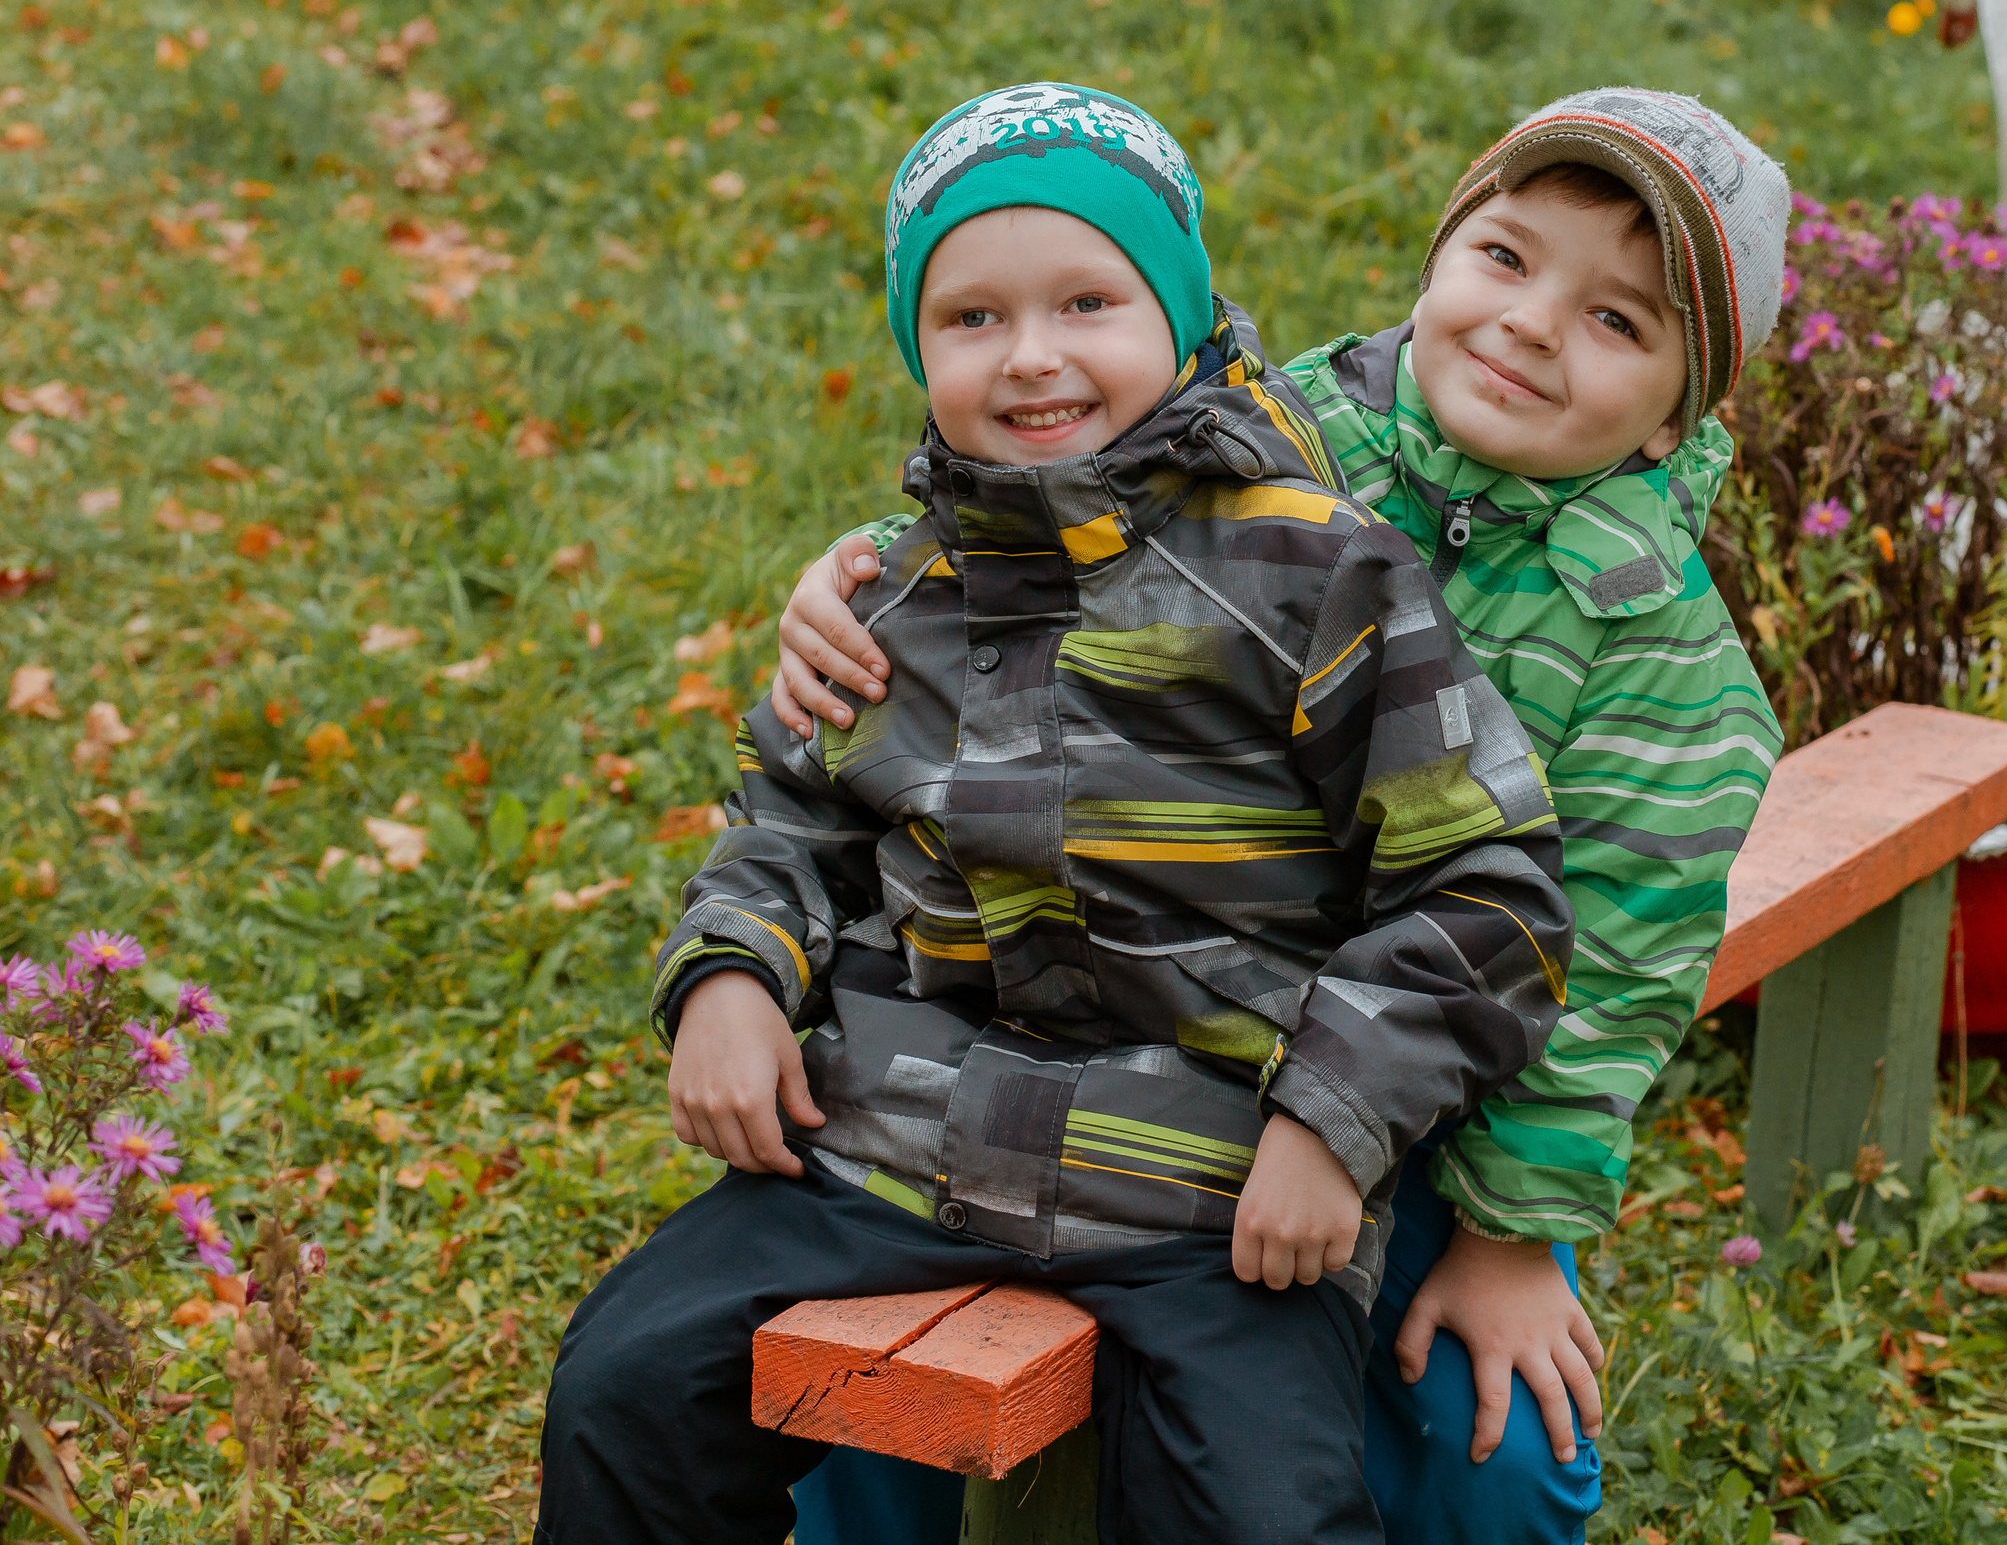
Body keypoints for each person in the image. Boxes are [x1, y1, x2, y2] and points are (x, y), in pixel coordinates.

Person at [535, 82, 1577, 1545]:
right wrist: (726, 974)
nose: (1032, 358)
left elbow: (1483, 891)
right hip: (890, 1148)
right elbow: (791, 816)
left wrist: (1333, 1123)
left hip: (1216, 1191)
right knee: (623, 1392)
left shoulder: (1318, 578)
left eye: (1088, 300)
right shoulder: (895, 587)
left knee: (1260, 1519)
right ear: (917, 344)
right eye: (971, 319)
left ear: (1183, 312)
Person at [771, 88, 1791, 1545]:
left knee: (1482, 1443)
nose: (1533, 326)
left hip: (1436, 1101)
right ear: (1442, 252)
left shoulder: (1665, 669)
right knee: (868, 1343)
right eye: (1505, 258)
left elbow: (1607, 978)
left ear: (1686, 409)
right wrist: (864, 571)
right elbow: (1036, 513)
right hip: (1152, 1017)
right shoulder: (1268, 432)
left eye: (1621, 321)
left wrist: (1512, 1236)